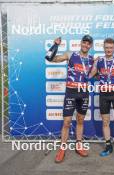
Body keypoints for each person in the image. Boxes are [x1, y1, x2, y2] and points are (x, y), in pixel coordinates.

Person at [47, 35, 94, 163]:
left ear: (91, 46)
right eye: (84, 42)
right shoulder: (70, 55)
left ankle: (79, 145)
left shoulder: (92, 59)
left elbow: (100, 74)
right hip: (71, 93)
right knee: (67, 122)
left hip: (84, 94)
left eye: (88, 43)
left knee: (80, 120)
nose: (86, 45)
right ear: (81, 43)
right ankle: (62, 148)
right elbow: (51, 59)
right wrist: (55, 45)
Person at [89, 38, 114, 160]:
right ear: (104, 48)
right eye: (106, 48)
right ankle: (108, 146)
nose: (108, 50)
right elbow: (90, 75)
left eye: (111, 48)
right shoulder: (100, 61)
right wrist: (93, 63)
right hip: (103, 95)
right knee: (105, 122)